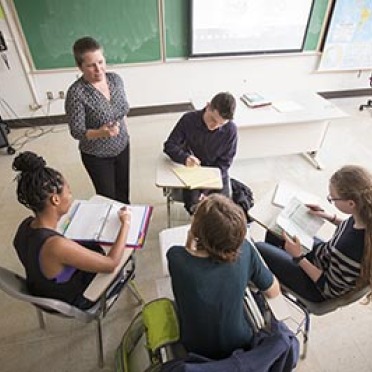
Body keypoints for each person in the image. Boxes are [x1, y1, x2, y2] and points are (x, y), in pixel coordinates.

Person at [12, 151, 132, 309]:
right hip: (72, 300)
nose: (71, 195)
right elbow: (111, 264)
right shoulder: (55, 246)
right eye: (68, 191)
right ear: (55, 199)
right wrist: (126, 223)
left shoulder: (25, 226)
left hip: (42, 290)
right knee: (127, 259)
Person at [167, 194, 280, 359]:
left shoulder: (176, 258)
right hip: (240, 342)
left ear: (197, 230)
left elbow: (187, 254)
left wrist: (190, 240)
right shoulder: (246, 251)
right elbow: (274, 291)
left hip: (195, 348)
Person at [256, 165, 372, 303]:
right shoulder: (363, 214)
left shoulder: (350, 248)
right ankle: (274, 279)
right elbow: (349, 228)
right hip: (324, 258)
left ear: (351, 203)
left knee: (258, 249)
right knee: (276, 231)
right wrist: (329, 217)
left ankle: (271, 283)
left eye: (333, 199)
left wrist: (298, 257)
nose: (331, 200)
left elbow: (328, 287)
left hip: (316, 287)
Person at [65, 36, 130, 204]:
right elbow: (77, 131)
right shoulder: (76, 93)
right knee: (108, 199)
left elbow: (123, 110)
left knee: (123, 193)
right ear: (80, 67)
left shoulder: (115, 80)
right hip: (97, 155)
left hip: (122, 146)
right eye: (91, 65)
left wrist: (123, 129)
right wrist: (102, 132)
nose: (98, 69)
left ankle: (127, 224)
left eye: (101, 62)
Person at [163, 92, 237, 214]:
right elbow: (169, 145)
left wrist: (206, 191)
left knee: (223, 211)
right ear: (208, 106)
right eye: (213, 119)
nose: (214, 126)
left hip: (215, 174)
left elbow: (225, 163)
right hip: (193, 172)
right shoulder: (189, 120)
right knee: (196, 207)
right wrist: (184, 158)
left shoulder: (230, 130)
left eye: (221, 124)